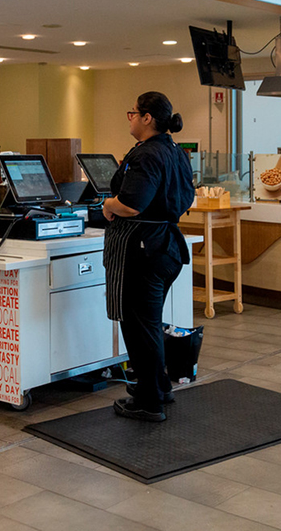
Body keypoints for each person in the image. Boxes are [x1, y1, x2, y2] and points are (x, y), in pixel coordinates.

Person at [101, 91, 195, 421]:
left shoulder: (146, 155)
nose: (129, 118)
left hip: (143, 250)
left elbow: (132, 203)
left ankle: (149, 401)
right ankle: (158, 386)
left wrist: (108, 204)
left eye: (133, 112)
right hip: (167, 247)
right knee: (150, 324)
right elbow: (186, 197)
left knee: (140, 327)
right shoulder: (175, 151)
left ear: (147, 118)